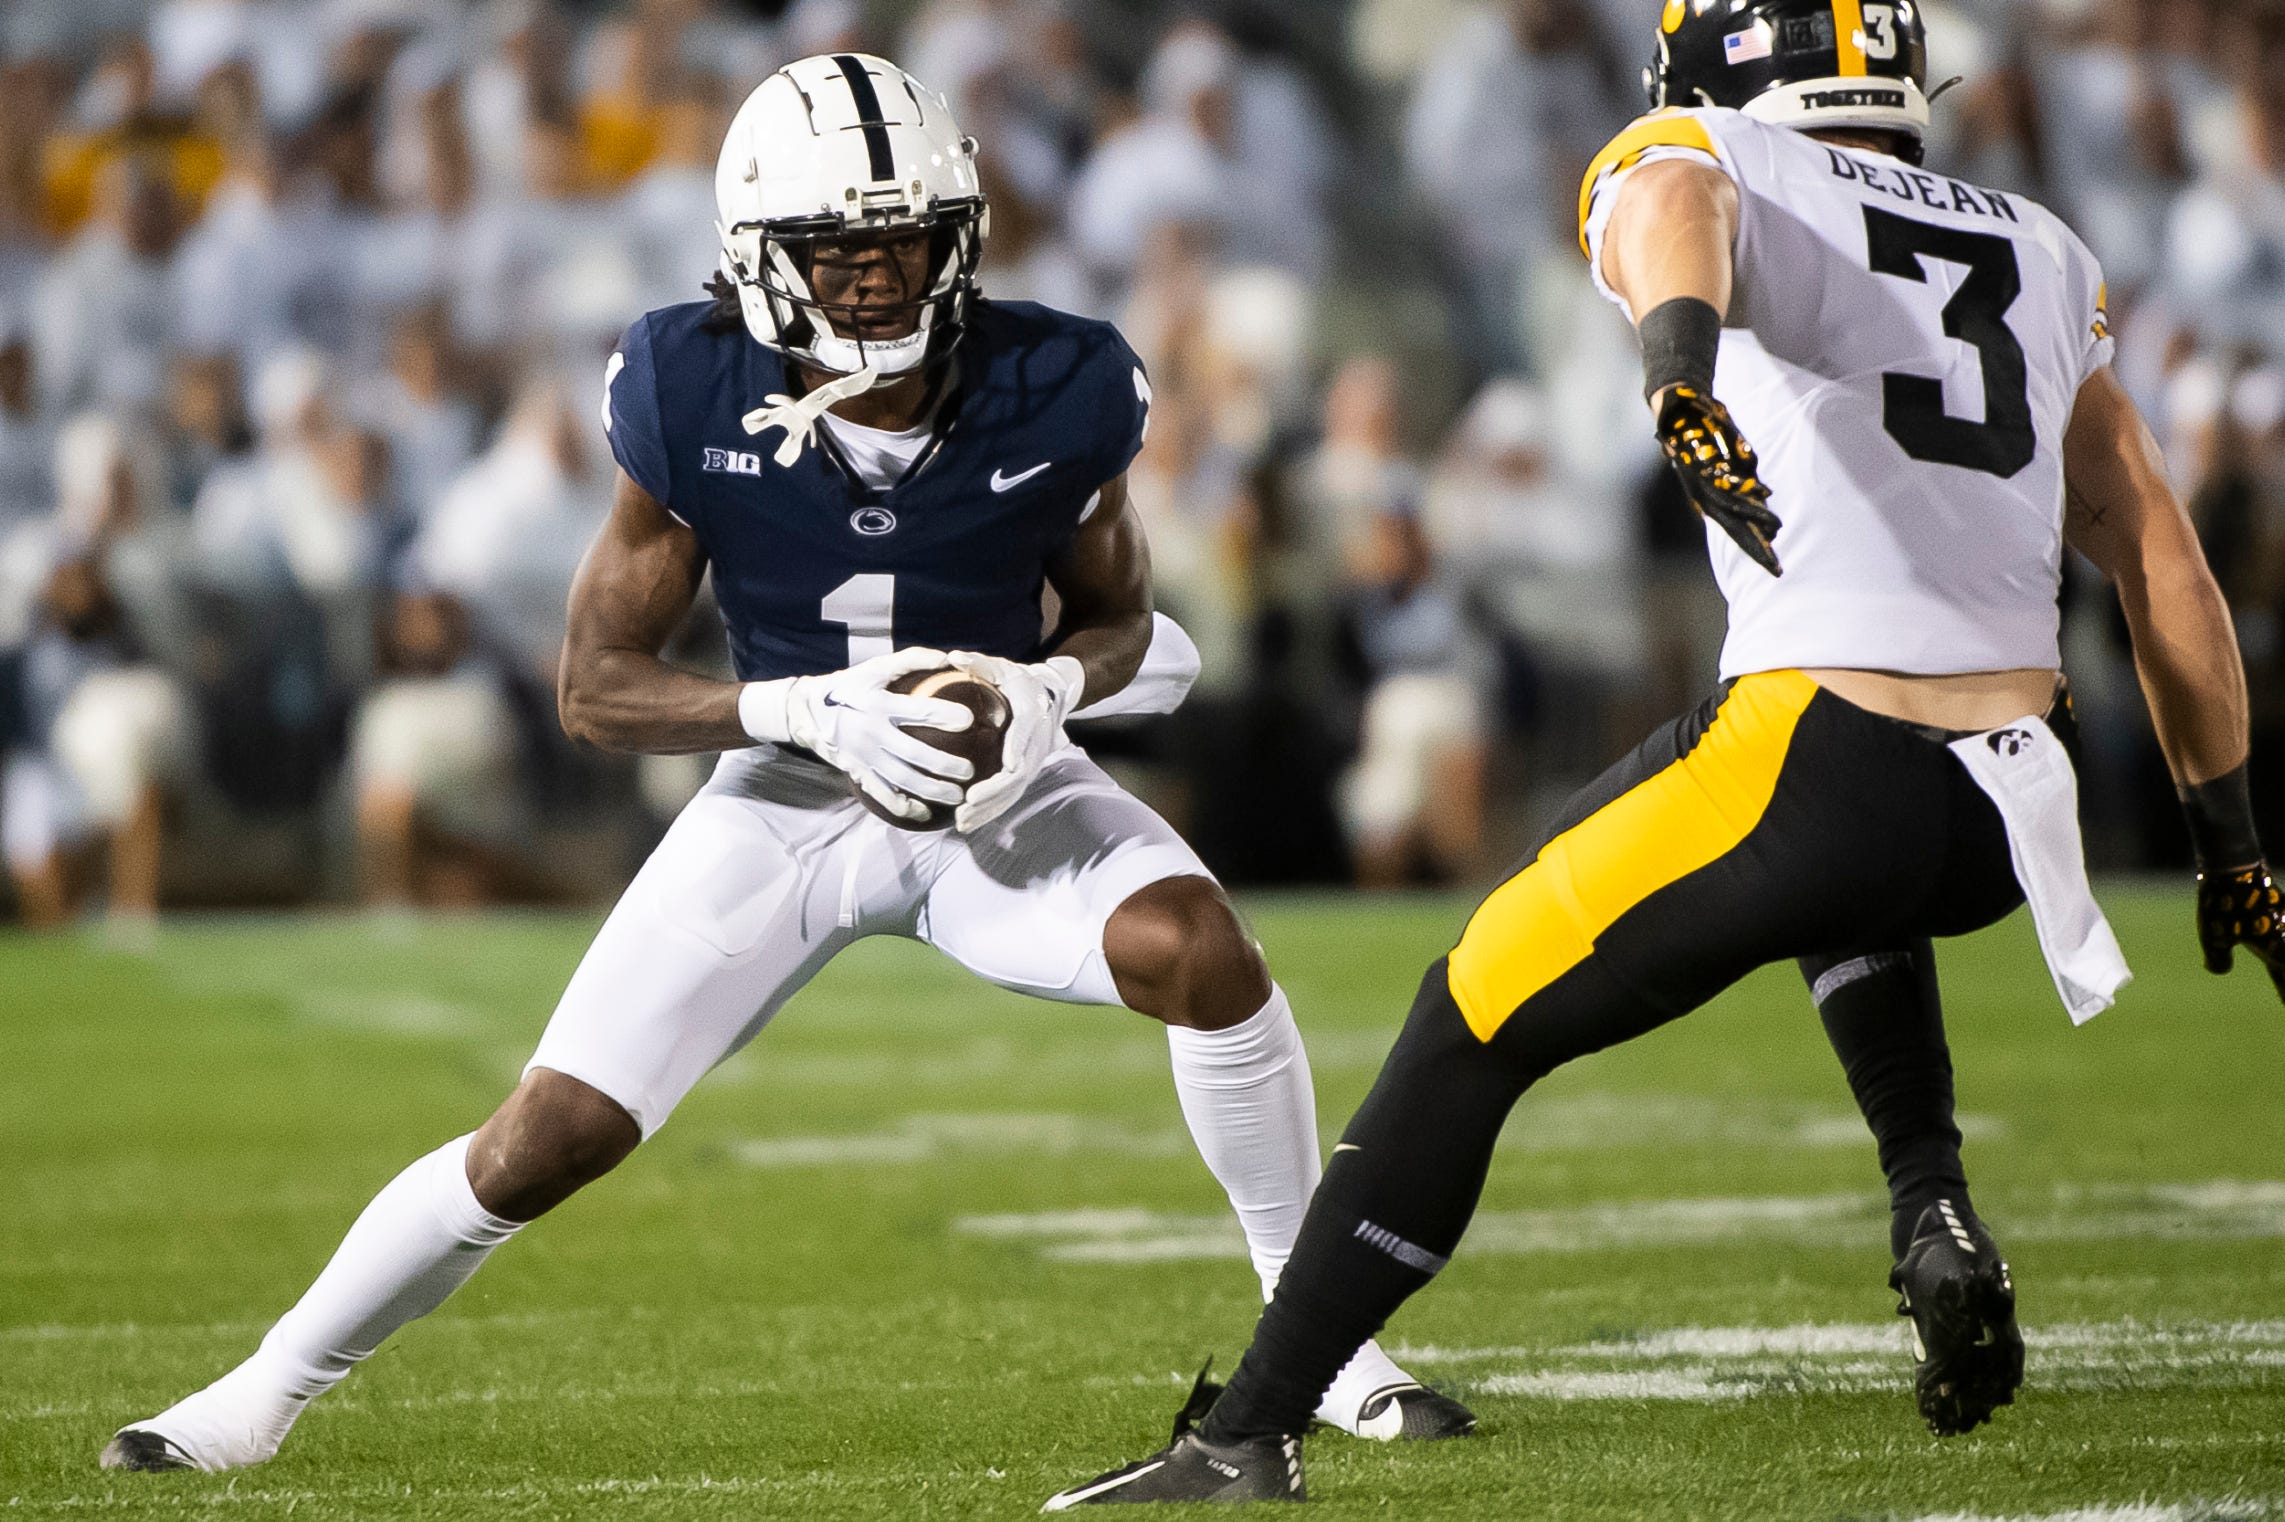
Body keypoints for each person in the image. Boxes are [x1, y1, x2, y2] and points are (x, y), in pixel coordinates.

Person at [98, 52, 1471, 1475]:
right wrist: (802, 712)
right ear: (760, 257)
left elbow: (1125, 620)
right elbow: (594, 687)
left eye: (901, 241)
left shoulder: (1058, 381)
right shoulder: (688, 386)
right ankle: (259, 1392)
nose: (874, 277)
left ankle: (1325, 1349)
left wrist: (1042, 685)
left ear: (960, 238)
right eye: (836, 247)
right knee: (546, 1134)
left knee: (1201, 947)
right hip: (786, 803)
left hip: (992, 801)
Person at [1044, 0, 2285, 1503]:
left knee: (1472, 1007)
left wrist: (1676, 372)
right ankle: (1930, 1208)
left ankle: (1245, 1431)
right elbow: (2160, 560)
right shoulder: (2043, 243)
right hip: (2009, 798)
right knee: (1845, 899)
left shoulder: (1712, 148)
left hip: (1827, 750)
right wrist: (2233, 842)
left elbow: (1678, 195)